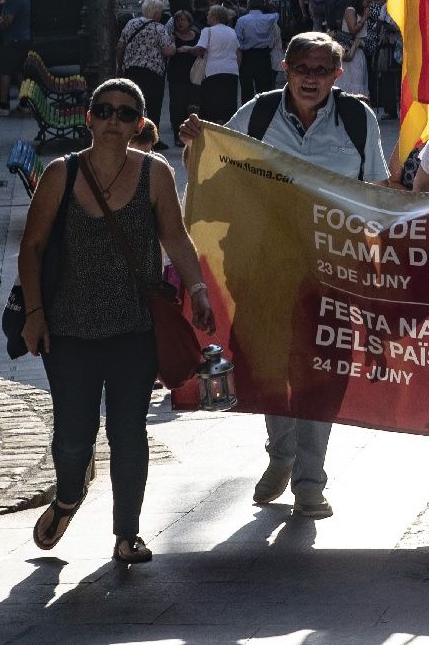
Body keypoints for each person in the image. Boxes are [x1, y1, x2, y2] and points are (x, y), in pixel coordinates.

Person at [181, 32, 389, 521]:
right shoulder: (256, 114)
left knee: (323, 374)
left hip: (334, 270)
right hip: (263, 266)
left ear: (338, 75)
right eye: (302, 68)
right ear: (285, 68)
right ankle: (281, 455)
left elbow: (376, 187)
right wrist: (196, 143)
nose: (311, 78)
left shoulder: (358, 120)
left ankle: (310, 482)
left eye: (322, 70)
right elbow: (213, 167)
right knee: (270, 367)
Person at [20, 78, 216, 564]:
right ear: (89, 118)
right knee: (72, 435)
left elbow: (175, 235)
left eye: (125, 114)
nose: (113, 120)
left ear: (139, 124)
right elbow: (33, 246)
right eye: (104, 111)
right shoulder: (61, 175)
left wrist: (197, 288)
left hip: (134, 329)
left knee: (129, 430)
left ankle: (127, 534)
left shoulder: (155, 173)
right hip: (68, 331)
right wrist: (35, 314)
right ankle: (68, 498)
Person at [116, 0, 174, 148]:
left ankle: (130, 137)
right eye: (160, 12)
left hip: (131, 71)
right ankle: (153, 140)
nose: (161, 15)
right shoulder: (158, 28)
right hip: (153, 73)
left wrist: (120, 66)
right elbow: (167, 51)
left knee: (133, 105)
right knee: (154, 106)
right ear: (155, 13)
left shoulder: (130, 24)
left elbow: (120, 46)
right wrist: (173, 44)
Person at [196, 6, 243, 123]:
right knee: (228, 104)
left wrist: (187, 49)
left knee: (211, 105)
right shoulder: (231, 31)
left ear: (215, 17)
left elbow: (200, 49)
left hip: (213, 71)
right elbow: (238, 52)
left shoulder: (207, 31)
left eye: (209, 14)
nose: (207, 16)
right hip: (231, 71)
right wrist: (236, 67)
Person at [165, 10, 203, 146]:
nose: (180, 23)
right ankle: (178, 134)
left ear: (189, 21)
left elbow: (201, 50)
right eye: (177, 20)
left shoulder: (197, 35)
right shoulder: (172, 36)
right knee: (177, 106)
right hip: (177, 75)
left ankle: (192, 134)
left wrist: (189, 49)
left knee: (194, 105)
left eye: (183, 20)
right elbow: (168, 52)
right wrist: (173, 41)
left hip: (194, 75)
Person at [235, 0, 280, 102]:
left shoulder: (242, 20)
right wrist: (268, 4)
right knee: (265, 88)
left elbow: (237, 40)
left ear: (248, 6)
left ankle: (247, 112)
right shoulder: (270, 18)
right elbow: (276, 13)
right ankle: (264, 112)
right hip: (263, 55)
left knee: (246, 88)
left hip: (247, 55)